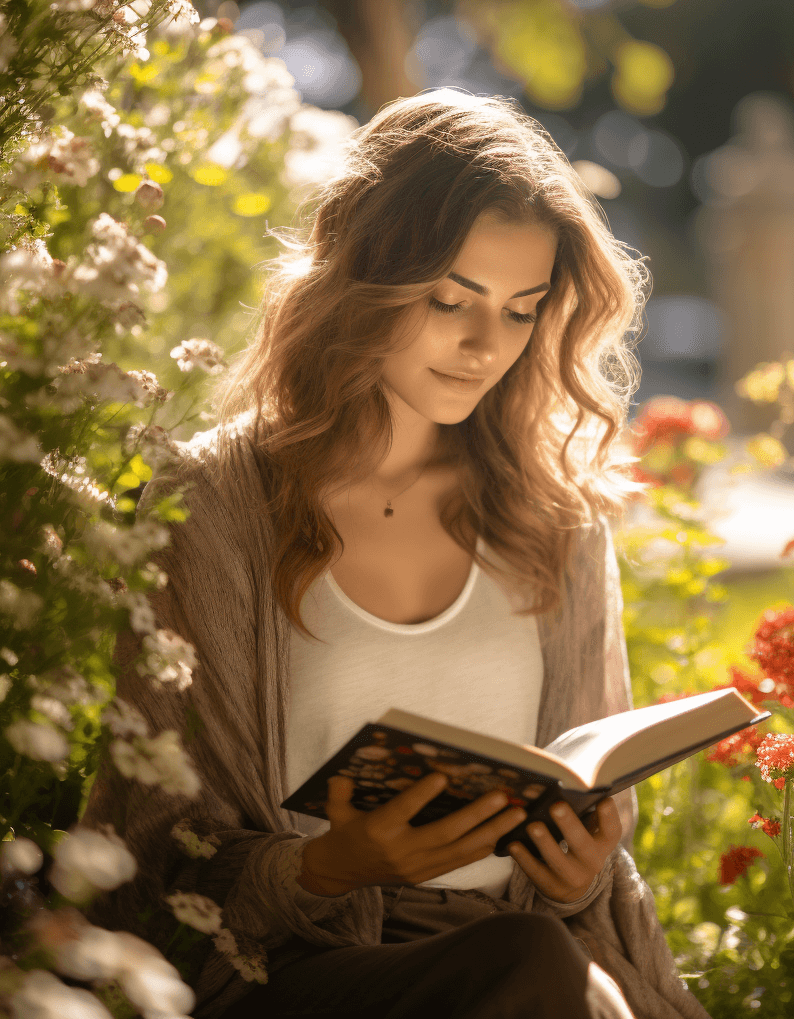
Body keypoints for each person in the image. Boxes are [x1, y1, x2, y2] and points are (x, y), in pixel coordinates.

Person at [81, 89, 710, 1019]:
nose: (483, 346)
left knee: (544, 965)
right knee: (539, 971)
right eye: (450, 300)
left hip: (519, 957)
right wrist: (327, 866)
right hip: (294, 967)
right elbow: (152, 845)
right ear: (362, 276)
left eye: (521, 311)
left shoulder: (556, 515)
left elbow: (588, 806)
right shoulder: (214, 503)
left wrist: (580, 873)